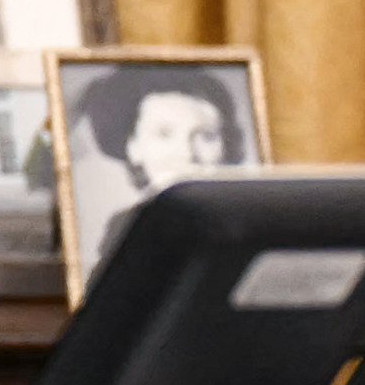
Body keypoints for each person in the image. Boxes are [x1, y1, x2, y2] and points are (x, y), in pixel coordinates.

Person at [68, 65, 247, 272]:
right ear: (133, 147)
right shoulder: (127, 228)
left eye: (206, 136)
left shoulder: (245, 223)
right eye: (164, 134)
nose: (187, 153)